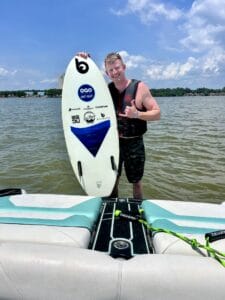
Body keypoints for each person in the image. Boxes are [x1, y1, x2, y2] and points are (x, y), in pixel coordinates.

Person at [76, 52, 160, 199]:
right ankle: (112, 208)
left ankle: (138, 209)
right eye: (111, 70)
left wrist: (138, 114)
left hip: (134, 143)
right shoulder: (106, 91)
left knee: (137, 181)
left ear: (124, 67)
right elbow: (85, 87)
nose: (115, 72)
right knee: (112, 180)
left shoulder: (139, 87)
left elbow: (157, 113)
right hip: (112, 143)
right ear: (107, 73)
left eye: (117, 68)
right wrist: (84, 61)